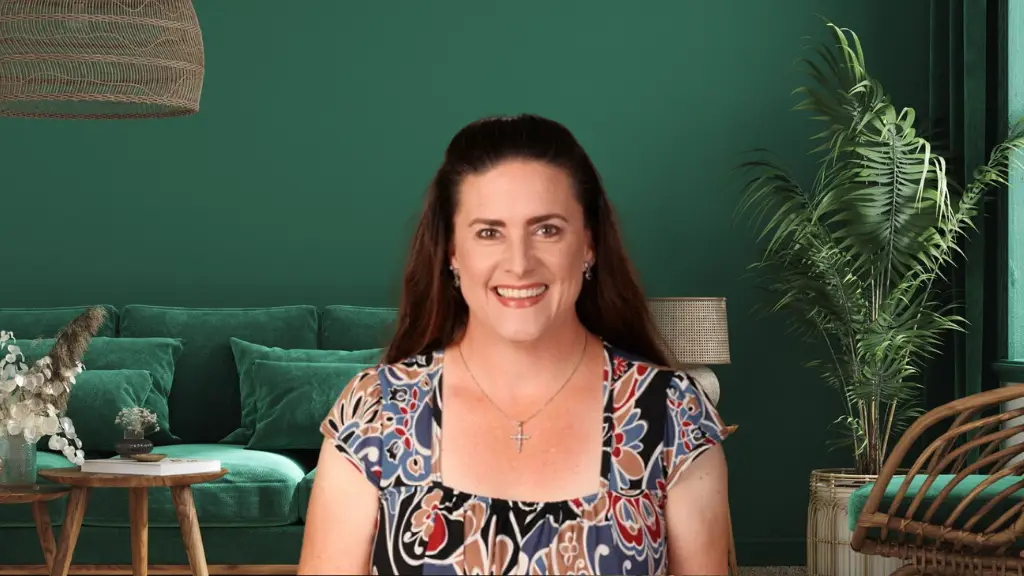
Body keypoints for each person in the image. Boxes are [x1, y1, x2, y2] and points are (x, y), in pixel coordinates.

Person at [298, 113, 733, 575]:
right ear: (452, 252)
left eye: (547, 229)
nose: (520, 263)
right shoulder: (374, 414)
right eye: (489, 232)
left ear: (589, 244)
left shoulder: (673, 415)